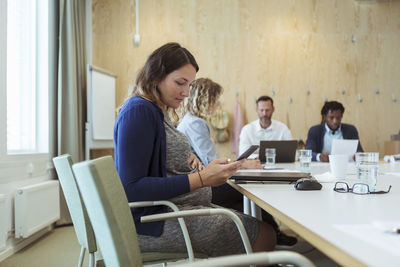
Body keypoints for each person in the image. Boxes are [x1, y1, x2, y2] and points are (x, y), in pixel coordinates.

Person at [114, 43, 276, 257]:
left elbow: (154, 156)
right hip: (153, 223)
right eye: (180, 83)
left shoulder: (155, 111)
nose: (186, 93)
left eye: (189, 85)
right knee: (264, 234)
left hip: (168, 212)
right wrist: (202, 178)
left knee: (254, 227)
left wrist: (185, 155)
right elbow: (132, 188)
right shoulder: (139, 112)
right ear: (155, 76)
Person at [178, 78, 297, 247]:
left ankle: (266, 237)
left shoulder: (189, 120)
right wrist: (244, 164)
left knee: (244, 197)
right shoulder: (196, 123)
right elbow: (213, 163)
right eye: (215, 99)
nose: (218, 104)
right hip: (203, 187)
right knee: (252, 191)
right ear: (206, 99)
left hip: (198, 183)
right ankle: (268, 236)